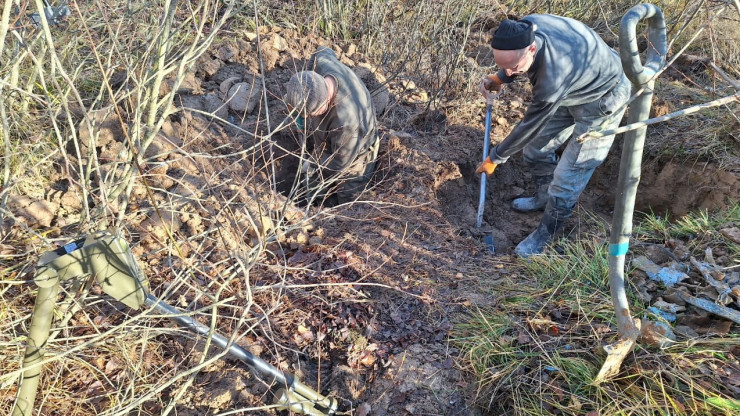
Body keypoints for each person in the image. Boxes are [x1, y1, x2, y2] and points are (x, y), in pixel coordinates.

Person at [476, 15, 631, 257]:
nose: (510, 72)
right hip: (574, 86)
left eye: (514, 68)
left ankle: (546, 234)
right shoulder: (524, 27)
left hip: (603, 98)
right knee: (535, 150)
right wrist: (501, 77)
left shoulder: (552, 76)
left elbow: (531, 125)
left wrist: (495, 157)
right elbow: (513, 61)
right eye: (503, 65)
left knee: (569, 175)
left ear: (532, 48)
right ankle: (542, 197)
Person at [284, 46, 379, 207]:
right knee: (312, 181)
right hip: (329, 137)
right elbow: (323, 50)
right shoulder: (322, 65)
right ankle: (314, 204)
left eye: (311, 114)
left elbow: (340, 162)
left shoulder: (348, 121)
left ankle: (335, 216)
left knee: (349, 199)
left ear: (325, 102)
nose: (307, 118)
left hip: (355, 151)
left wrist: (313, 162)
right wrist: (299, 117)